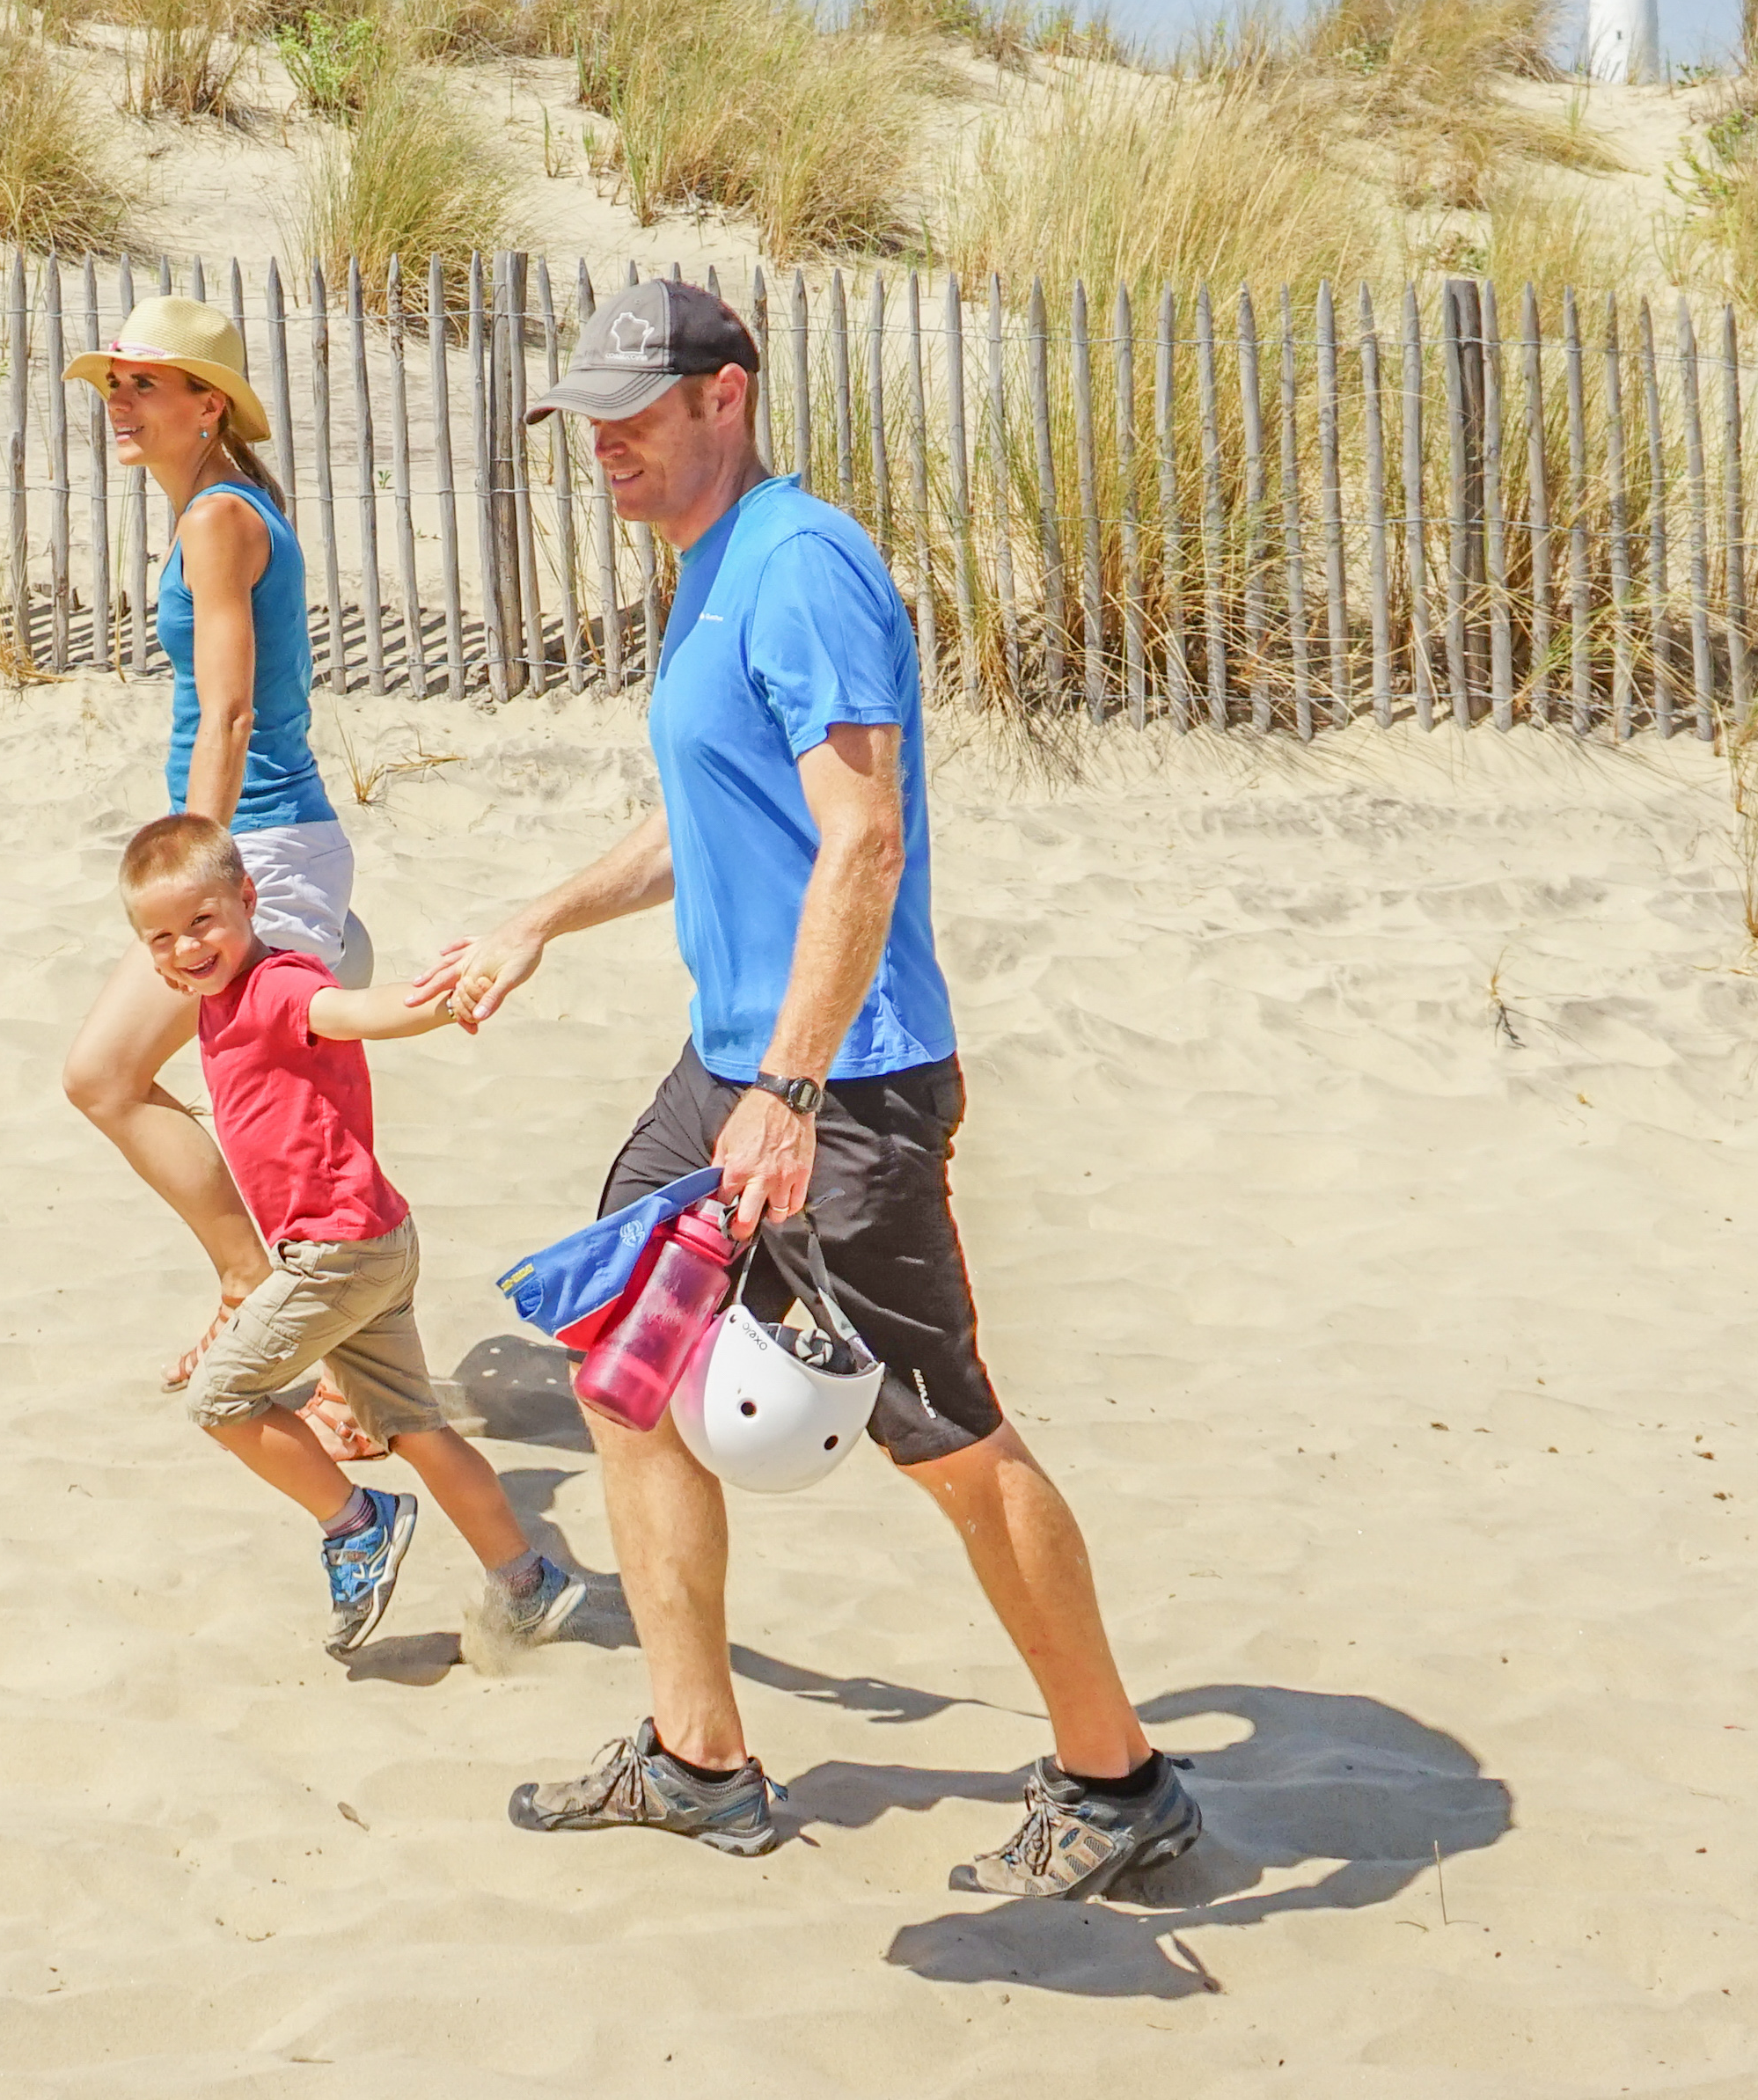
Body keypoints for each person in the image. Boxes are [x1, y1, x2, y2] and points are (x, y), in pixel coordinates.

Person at [414, 278, 1205, 1899]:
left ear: (729, 393)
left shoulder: (801, 562)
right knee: (619, 1363)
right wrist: (539, 916)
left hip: (840, 1083)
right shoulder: (710, 573)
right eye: (589, 420)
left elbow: (863, 834)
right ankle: (698, 1753)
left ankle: (1119, 1775)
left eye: (635, 412)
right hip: (729, 1063)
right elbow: (708, 821)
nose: (606, 444)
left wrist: (790, 1083)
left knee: (947, 1435)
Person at [121, 810, 591, 1662]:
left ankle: (357, 1525)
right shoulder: (214, 1003)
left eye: (202, 923)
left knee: (220, 1398)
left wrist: (447, 1000)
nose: (186, 949)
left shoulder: (277, 989)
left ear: (247, 900)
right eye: (160, 938)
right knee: (415, 1428)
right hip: (371, 1238)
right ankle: (525, 1583)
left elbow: (355, 1011)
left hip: (336, 1253)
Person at [55, 295, 382, 1457]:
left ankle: (279, 1308)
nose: (120, 401)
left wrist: (195, 864)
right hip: (269, 844)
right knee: (239, 1106)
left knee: (130, 1081)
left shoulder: (217, 521)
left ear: (209, 406)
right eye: (115, 383)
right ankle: (271, 1300)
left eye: (145, 384)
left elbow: (233, 709)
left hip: (262, 848)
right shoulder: (216, 512)